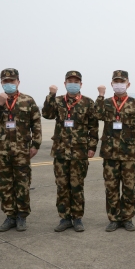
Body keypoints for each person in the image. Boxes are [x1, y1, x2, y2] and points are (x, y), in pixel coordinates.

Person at [42, 71, 98, 232]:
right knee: (62, 186)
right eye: (70, 81)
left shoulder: (88, 102)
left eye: (76, 81)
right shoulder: (58, 101)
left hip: (80, 152)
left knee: (77, 186)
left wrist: (92, 147)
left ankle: (78, 218)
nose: (73, 83)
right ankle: (64, 218)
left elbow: (93, 127)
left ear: (81, 84)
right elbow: (46, 114)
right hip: (60, 151)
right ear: (65, 83)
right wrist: (51, 95)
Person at [0, 68, 42, 232]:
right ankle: (10, 216)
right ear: (1, 83)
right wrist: (0, 104)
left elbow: (36, 125)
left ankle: (21, 217)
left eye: (12, 81)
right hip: (2, 152)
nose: (9, 84)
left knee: (22, 184)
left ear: (18, 82)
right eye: (6, 81)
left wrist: (35, 145)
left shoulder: (28, 100)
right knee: (4, 184)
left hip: (21, 151)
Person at [95, 70, 135, 232]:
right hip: (110, 154)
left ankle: (127, 218)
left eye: (122, 82)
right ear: (111, 84)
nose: (119, 85)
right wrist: (101, 96)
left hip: (129, 154)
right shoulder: (107, 103)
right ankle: (114, 218)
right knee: (111, 188)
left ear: (128, 84)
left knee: (129, 188)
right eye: (116, 82)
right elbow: (96, 114)